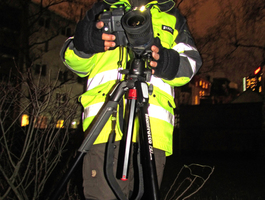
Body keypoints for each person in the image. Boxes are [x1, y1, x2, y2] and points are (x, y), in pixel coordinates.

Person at [60, 0, 202, 199]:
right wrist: (85, 45)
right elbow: (72, 60)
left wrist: (166, 62)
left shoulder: (171, 15)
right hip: (103, 129)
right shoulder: (103, 9)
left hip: (153, 133)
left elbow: (192, 63)